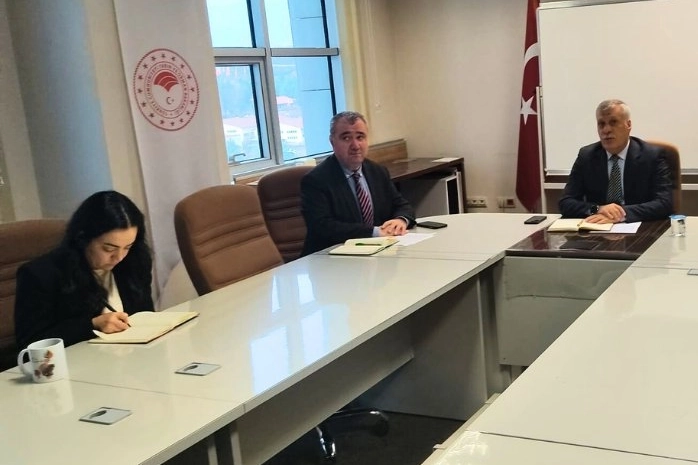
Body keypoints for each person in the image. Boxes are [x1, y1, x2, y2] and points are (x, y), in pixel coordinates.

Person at [15, 190, 154, 349]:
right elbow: (31, 342)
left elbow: (145, 316)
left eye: (127, 247)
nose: (119, 257)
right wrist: (92, 325)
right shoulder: (40, 274)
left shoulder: (135, 261)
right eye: (109, 249)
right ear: (83, 238)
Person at [301, 111, 416, 255]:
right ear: (332, 142)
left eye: (360, 137)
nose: (355, 145)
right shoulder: (316, 180)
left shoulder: (378, 171)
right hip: (330, 257)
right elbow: (323, 227)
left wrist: (400, 220)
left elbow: (401, 205)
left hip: (375, 253)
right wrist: (374, 232)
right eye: (346, 138)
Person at [558, 99, 672, 223]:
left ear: (628, 125)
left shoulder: (651, 155)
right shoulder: (587, 156)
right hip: (598, 227)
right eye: (601, 124)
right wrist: (598, 209)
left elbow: (664, 203)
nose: (606, 130)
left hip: (638, 227)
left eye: (613, 122)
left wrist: (620, 214)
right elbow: (566, 202)